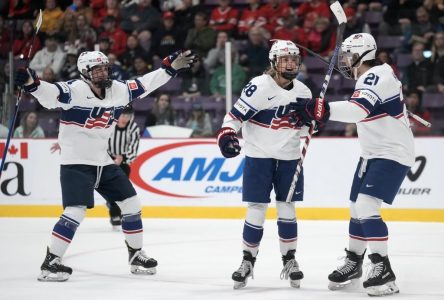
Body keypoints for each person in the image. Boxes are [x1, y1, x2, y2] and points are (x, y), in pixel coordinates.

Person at [15, 49, 195, 281]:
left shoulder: (118, 90)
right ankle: (51, 262)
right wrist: (31, 82)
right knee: (75, 212)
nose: (102, 73)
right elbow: (50, 94)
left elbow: (145, 84)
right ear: (84, 72)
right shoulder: (74, 90)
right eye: (96, 69)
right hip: (76, 162)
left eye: (104, 68)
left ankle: (136, 254)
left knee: (131, 203)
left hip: (103, 161)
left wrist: (169, 69)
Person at [290, 33, 414, 297]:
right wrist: (319, 109)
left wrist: (320, 108)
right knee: (356, 207)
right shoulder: (373, 76)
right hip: (372, 153)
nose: (344, 61)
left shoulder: (375, 75)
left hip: (392, 152)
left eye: (348, 55)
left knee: (367, 205)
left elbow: (358, 110)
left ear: (361, 55)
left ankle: (383, 267)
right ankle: (355, 261)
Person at [216, 40, 312, 289]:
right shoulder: (259, 86)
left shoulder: (304, 92)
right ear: (273, 62)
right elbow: (234, 117)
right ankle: (247, 261)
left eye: (294, 59)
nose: (291, 63)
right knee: (256, 209)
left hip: (290, 158)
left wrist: (315, 119)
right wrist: (227, 135)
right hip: (259, 156)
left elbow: (304, 130)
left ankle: (289, 260)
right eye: (285, 60)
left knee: (287, 209)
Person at [106, 106, 141, 228]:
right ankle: (114, 212)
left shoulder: (133, 128)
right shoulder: (109, 124)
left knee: (121, 190)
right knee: (110, 189)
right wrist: (110, 158)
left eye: (128, 116)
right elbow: (101, 142)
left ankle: (117, 211)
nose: (125, 118)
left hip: (124, 164)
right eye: (122, 115)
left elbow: (133, 148)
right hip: (107, 161)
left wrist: (123, 158)